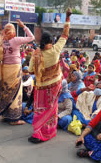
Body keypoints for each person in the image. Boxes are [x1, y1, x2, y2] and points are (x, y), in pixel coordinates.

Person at [28, 8, 71, 143]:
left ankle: (38, 132)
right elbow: (65, 35)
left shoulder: (35, 54)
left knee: (40, 109)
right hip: (54, 86)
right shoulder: (55, 50)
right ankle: (49, 132)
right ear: (51, 40)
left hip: (40, 87)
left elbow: (30, 71)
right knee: (52, 108)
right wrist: (67, 18)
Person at [0, 19, 35, 125]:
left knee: (6, 91)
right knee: (16, 93)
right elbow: (32, 37)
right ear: (13, 31)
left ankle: (5, 114)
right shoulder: (15, 40)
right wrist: (23, 26)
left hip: (4, 69)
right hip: (14, 69)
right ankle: (14, 119)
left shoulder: (1, 41)